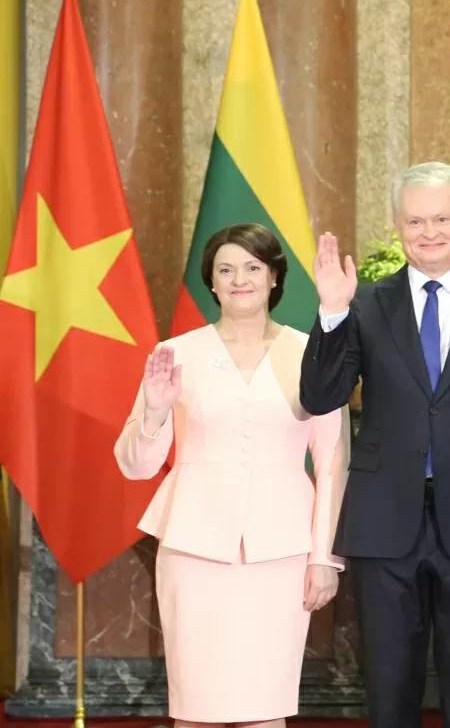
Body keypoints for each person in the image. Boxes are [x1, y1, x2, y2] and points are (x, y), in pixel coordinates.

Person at [298, 162, 450, 728]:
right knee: (389, 695)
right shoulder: (363, 305)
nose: (429, 231)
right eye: (415, 220)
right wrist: (332, 314)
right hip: (385, 527)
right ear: (397, 226)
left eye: (441, 218)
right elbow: (321, 395)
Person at [114, 223, 349, 728]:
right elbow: (135, 465)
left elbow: (332, 460)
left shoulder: (313, 353)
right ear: (212, 282)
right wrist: (155, 413)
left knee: (265, 706)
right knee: (196, 707)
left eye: (252, 267)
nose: (239, 279)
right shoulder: (176, 353)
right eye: (226, 269)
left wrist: (325, 557)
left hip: (282, 552)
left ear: (273, 278)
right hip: (193, 547)